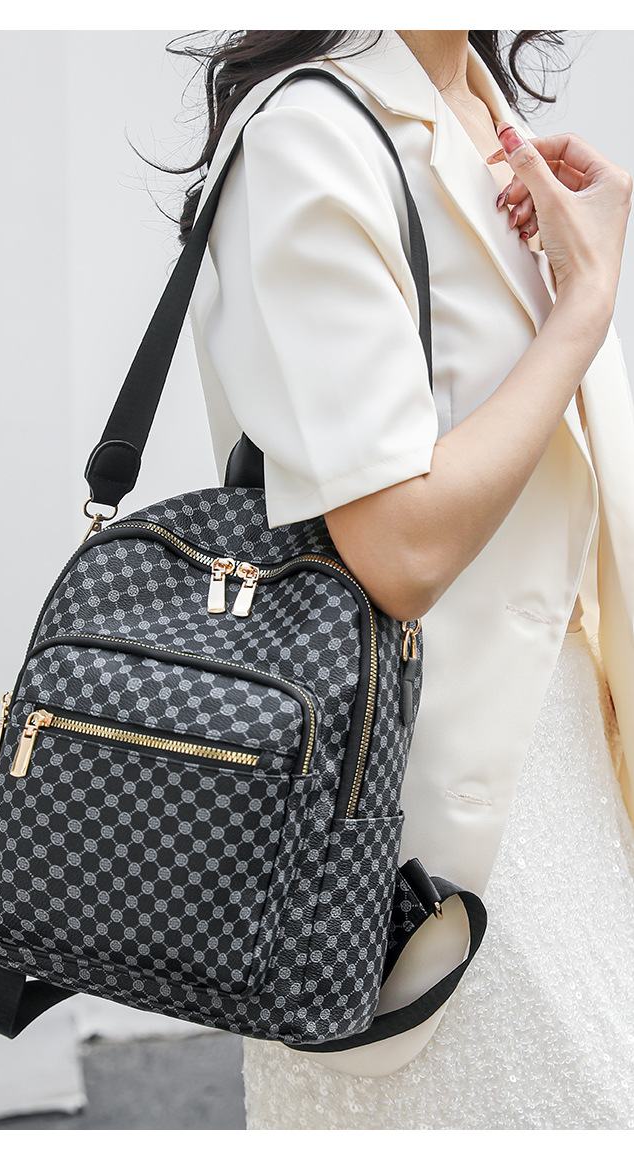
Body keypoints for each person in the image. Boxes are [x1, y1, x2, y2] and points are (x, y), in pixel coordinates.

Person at [167, 30, 634, 1127]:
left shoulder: (489, 121)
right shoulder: (308, 136)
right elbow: (400, 548)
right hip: (407, 818)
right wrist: (584, 306)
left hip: (567, 774)